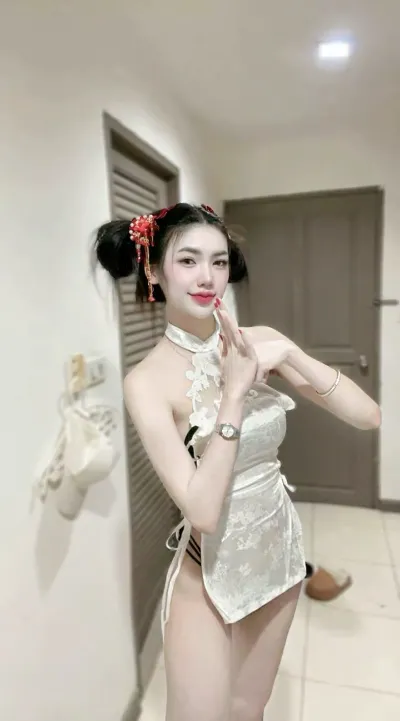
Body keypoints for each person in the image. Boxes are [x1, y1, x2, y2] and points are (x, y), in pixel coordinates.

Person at [93, 203, 380, 721]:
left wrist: (289, 352)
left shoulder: (258, 341)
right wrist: (233, 394)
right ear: (154, 272)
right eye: (188, 260)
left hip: (279, 555)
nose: (207, 277)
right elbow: (202, 512)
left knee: (249, 708)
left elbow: (368, 416)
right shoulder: (147, 382)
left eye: (219, 261)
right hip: (208, 574)